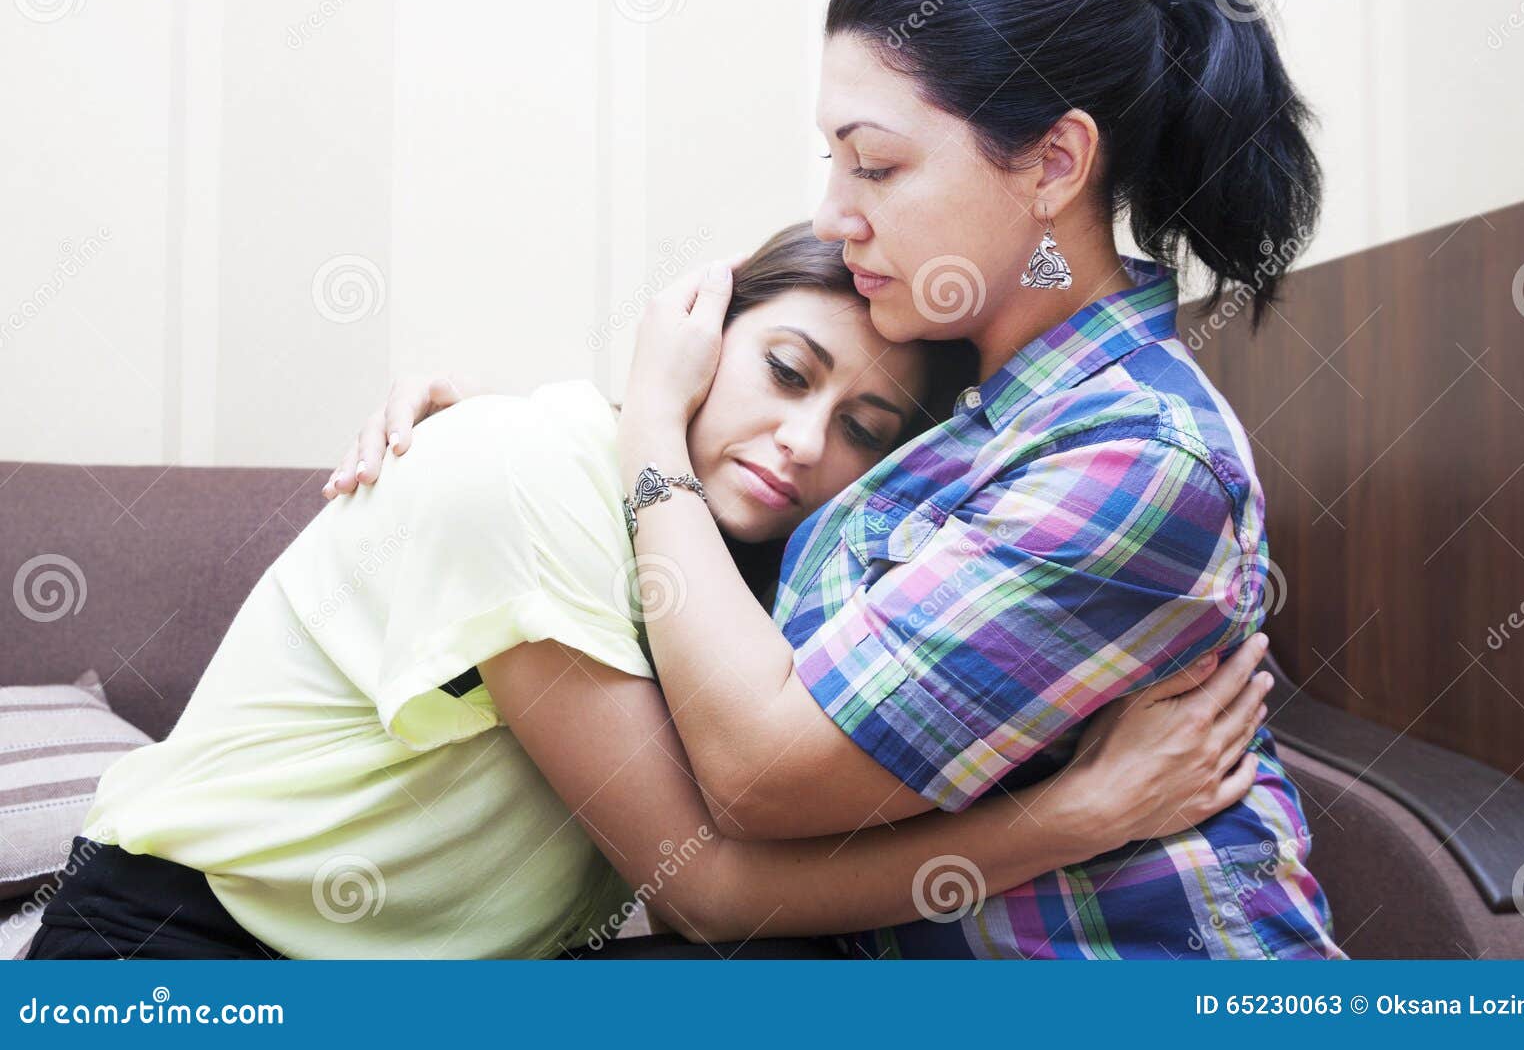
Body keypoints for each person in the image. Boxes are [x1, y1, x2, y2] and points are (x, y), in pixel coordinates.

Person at [336, 0, 1344, 959]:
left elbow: (759, 771)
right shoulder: (961, 403)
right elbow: (724, 600)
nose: (832, 214)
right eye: (832, 158)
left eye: (876, 164)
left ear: (1053, 165)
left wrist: (648, 431)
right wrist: (513, 443)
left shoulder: (1136, 456)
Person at [27, 224, 1268, 960]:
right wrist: (1080, 813)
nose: (802, 440)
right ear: (699, 331)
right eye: (787, 370)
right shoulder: (526, 467)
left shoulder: (734, 590)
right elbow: (704, 890)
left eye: (862, 429)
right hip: (180, 951)